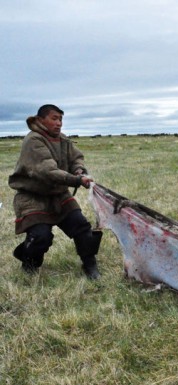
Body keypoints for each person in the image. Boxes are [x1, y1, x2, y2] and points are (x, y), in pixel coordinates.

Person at [9, 104, 102, 279]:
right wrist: (76, 180)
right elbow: (47, 170)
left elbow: (76, 158)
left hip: (59, 195)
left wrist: (79, 170)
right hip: (32, 197)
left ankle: (90, 264)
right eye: (54, 118)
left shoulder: (64, 140)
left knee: (81, 226)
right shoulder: (33, 140)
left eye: (60, 119)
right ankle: (28, 263)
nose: (59, 123)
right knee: (41, 236)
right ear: (40, 120)